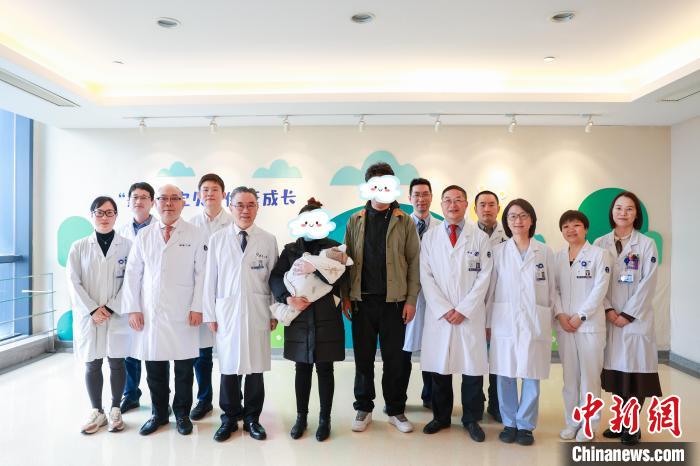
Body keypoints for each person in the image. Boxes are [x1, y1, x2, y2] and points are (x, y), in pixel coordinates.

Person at [121, 184, 208, 436]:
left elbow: (202, 274)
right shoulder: (145, 235)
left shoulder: (195, 234)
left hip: (184, 312)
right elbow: (133, 274)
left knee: (184, 369)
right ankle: (158, 414)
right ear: (155, 203)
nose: (168, 203)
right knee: (155, 368)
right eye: (163, 199)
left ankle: (182, 414)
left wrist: (198, 307)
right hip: (152, 313)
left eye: (174, 198)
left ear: (183, 203)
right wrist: (133, 309)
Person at [342, 162, 421, 434]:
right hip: (362, 302)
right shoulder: (355, 220)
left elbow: (414, 262)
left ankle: (396, 410)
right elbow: (346, 260)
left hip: (394, 303)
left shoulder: (404, 220)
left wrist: (411, 299)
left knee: (394, 360)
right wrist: (346, 296)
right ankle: (363, 408)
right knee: (363, 359)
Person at [269, 198, 349, 442]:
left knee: (325, 368)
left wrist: (317, 269)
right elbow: (275, 277)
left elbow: (343, 278)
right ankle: (301, 418)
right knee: (301, 368)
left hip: (326, 316)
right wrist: (287, 298)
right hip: (299, 316)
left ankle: (325, 420)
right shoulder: (290, 250)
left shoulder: (335, 249)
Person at [203, 186, 278, 442]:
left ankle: (252, 419)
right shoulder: (218, 239)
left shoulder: (268, 240)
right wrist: (210, 314)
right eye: (240, 205)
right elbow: (210, 279)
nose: (245, 210)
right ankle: (229, 418)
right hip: (227, 311)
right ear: (231, 207)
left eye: (251, 205)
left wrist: (274, 311)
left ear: (257, 207)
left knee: (255, 367)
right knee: (229, 367)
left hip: (258, 310)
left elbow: (274, 279)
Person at [419, 186, 492, 442]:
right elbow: (425, 276)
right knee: (440, 368)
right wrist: (444, 308)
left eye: (458, 200)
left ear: (466, 204)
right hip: (440, 315)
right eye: (448, 200)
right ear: (441, 205)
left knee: (472, 370)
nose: (453, 205)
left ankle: (471, 418)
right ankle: (441, 417)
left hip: (469, 315)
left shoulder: (479, 237)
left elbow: (485, 276)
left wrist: (463, 309)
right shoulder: (430, 237)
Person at [486, 198, 558, 446]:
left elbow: (552, 289)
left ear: (532, 220)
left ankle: (526, 426)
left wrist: (549, 318)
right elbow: (491, 290)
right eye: (513, 216)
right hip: (504, 321)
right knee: (505, 374)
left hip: (534, 320)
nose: (518, 221)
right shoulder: (498, 252)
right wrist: (488, 322)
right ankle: (509, 423)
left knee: (531, 373)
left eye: (524, 215)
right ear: (506, 222)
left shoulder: (544, 252)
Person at [593, 191, 661, 446]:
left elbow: (648, 282)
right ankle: (621, 422)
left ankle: (631, 426)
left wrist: (628, 314)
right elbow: (597, 283)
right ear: (612, 212)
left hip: (636, 319)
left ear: (636, 214)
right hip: (610, 318)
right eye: (619, 208)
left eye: (629, 208)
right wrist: (609, 310)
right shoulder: (600, 243)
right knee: (617, 375)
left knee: (635, 376)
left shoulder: (646, 244)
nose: (623, 213)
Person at [66, 196, 131, 434]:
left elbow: (132, 281)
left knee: (117, 361)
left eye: (109, 212)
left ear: (116, 216)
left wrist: (111, 307)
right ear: (91, 215)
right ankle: (97, 410)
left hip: (116, 314)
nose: (105, 217)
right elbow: (73, 282)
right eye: (100, 212)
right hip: (90, 316)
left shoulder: (128, 246)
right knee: (92, 362)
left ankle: (115, 409)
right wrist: (93, 309)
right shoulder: (79, 246)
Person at [554, 210, 612, 442]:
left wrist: (580, 316)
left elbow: (600, 289)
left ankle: (589, 425)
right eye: (566, 226)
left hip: (589, 327)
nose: (571, 230)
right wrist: (560, 315)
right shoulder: (557, 257)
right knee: (570, 379)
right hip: (565, 326)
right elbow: (554, 290)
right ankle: (572, 422)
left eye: (576, 225)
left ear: (585, 229)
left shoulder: (600, 254)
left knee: (590, 378)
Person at [188, 173, 233, 421]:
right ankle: (204, 400)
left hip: (227, 295)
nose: (209, 194)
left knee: (230, 351)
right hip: (199, 296)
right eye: (205, 189)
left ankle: (233, 402)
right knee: (202, 354)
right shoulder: (191, 224)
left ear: (223, 194)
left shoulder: (233, 222)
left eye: (214, 189)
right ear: (199, 195)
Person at [398, 178, 439, 411]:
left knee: (432, 350)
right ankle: (398, 400)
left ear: (431, 197)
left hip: (433, 299)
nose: (421, 199)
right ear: (409, 198)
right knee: (401, 352)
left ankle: (430, 396)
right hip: (405, 297)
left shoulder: (441, 228)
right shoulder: (400, 225)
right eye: (416, 195)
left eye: (425, 194)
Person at [117, 182, 157, 414]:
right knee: (129, 351)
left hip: (155, 300)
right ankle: (130, 394)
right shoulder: (121, 232)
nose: (139, 201)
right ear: (129, 201)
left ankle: (160, 399)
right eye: (135, 197)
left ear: (152, 202)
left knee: (157, 353)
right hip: (129, 299)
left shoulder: (161, 230)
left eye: (144, 197)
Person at [474, 190, 508, 423]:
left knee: (499, 358)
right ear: (475, 209)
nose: (487, 209)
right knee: (475, 357)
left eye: (491, 204)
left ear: (498, 208)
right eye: (482, 204)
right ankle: (476, 404)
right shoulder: (467, 235)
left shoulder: (508, 236)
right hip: (474, 304)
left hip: (500, 305)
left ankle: (496, 404)